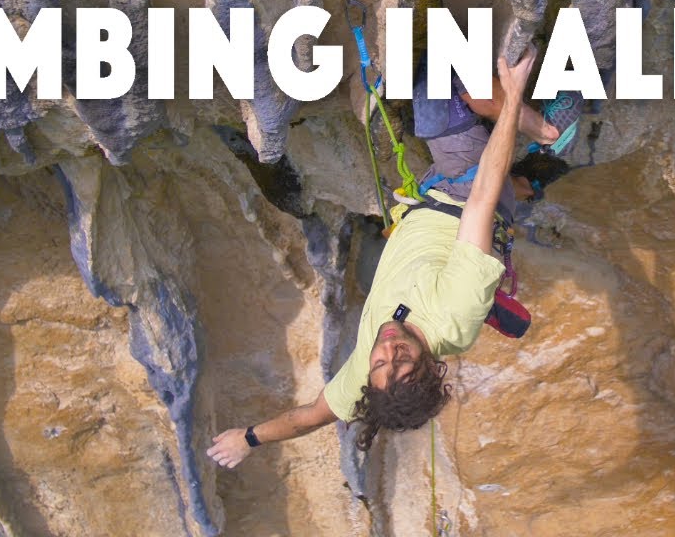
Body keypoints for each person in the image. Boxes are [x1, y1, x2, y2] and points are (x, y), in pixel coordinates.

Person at [207, 44, 562, 468]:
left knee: (468, 148)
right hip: (465, 196)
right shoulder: (454, 312)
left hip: (426, 203)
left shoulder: (374, 374)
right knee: (436, 86)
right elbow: (482, 198)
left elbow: (310, 417)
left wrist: (249, 439)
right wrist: (512, 103)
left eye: (379, 360)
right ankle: (545, 130)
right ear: (430, 367)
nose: (389, 347)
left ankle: (523, 181)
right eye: (403, 358)